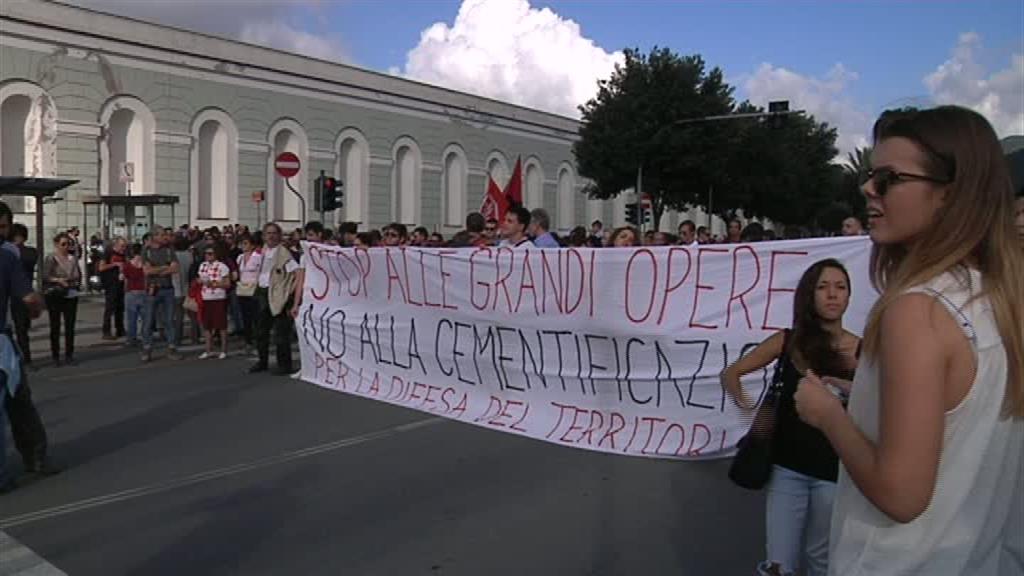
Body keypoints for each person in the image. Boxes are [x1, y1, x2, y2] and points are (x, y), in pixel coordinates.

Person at [794, 106, 1024, 575]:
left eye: (888, 178)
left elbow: (901, 495)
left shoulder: (916, 311)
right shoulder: (997, 299)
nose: (868, 190)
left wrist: (829, 416)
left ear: (949, 195)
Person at [722, 259, 860, 576]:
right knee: (779, 564)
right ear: (809, 294)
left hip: (835, 473)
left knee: (821, 562)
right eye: (823, 287)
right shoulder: (787, 341)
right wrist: (745, 405)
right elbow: (732, 374)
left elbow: (879, 405)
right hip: (786, 470)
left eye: (840, 287)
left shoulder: (862, 349)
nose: (832, 295)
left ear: (850, 296)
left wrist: (849, 389)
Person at [1, 202, 54, 493]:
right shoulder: (7, 256)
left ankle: (35, 457)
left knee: (19, 402)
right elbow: (29, 298)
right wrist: (36, 309)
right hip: (1, 342)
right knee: (19, 402)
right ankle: (34, 458)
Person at [251, 222, 298, 375]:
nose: (271, 236)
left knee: (281, 333)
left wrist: (288, 293)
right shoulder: (261, 252)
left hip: (278, 295)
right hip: (262, 292)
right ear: (264, 236)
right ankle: (262, 361)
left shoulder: (284, 253)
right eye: (268, 233)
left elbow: (296, 274)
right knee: (261, 331)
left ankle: (284, 365)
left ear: (279, 235)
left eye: (274, 233)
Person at [141, 227, 181, 362]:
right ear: (154, 236)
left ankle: (171, 348)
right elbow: (147, 271)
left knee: (169, 320)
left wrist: (158, 270)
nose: (166, 237)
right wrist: (165, 268)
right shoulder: (147, 251)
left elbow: (175, 268)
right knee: (148, 321)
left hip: (168, 289)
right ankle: (147, 348)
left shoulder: (169, 250)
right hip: (153, 289)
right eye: (163, 235)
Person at [42, 232, 82, 366]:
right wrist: (59, 280)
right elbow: (46, 276)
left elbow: (78, 274)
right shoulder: (51, 258)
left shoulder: (72, 259)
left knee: (70, 326)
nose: (66, 247)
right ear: (56, 244)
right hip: (55, 294)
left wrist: (73, 281)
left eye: (68, 244)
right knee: (55, 326)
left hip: (70, 293)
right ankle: (55, 356)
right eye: (63, 244)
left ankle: (69, 355)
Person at [9, 223, 37, 368]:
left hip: (15, 295)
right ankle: (26, 357)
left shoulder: (11, 252)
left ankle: (24, 358)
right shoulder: (31, 252)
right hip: (27, 293)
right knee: (23, 329)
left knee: (20, 329)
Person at [197, 243, 231, 360]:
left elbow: (227, 284)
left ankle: (224, 350)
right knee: (207, 325)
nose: (208, 256)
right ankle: (208, 350)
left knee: (221, 325)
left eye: (210, 253)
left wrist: (214, 284)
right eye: (206, 253)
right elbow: (200, 279)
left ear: (216, 254)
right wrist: (200, 282)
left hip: (219, 298)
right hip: (205, 297)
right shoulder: (202, 265)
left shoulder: (222, 266)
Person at [235, 235, 263, 355]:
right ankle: (248, 342)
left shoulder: (258, 257)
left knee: (256, 318)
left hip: (254, 289)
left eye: (246, 243)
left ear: (252, 245)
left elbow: (261, 272)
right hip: (243, 290)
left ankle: (258, 343)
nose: (243, 246)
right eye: (242, 243)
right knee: (246, 318)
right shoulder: (240, 257)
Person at [97, 237, 127, 341]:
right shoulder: (108, 253)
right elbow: (101, 267)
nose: (123, 249)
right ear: (116, 245)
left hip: (120, 282)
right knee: (110, 307)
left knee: (120, 307)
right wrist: (114, 264)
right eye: (122, 246)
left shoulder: (123, 254)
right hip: (110, 283)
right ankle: (106, 331)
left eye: (125, 246)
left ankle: (120, 329)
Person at [122, 243, 147, 347]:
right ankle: (146, 337)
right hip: (143, 292)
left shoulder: (127, 265)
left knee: (131, 318)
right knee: (145, 318)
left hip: (131, 292)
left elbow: (125, 280)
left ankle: (131, 338)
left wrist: (125, 291)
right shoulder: (145, 263)